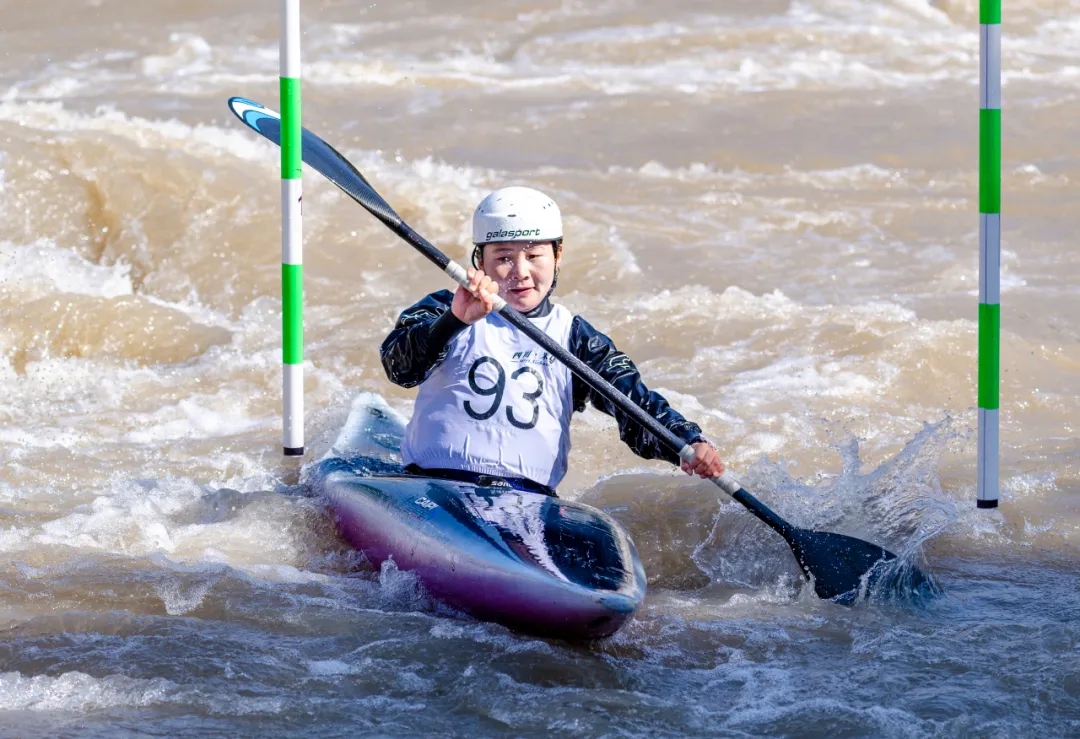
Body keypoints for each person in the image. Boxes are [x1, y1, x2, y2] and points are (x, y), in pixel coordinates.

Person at [380, 186, 724, 496]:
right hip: (433, 486)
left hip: (528, 500)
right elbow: (400, 368)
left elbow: (634, 405)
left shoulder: (576, 338)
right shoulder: (446, 308)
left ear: (557, 256)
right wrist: (454, 321)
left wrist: (687, 442)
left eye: (533, 256)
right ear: (479, 261)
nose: (520, 272)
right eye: (502, 258)